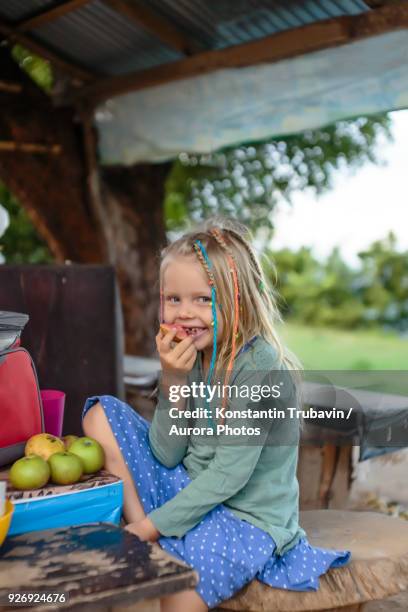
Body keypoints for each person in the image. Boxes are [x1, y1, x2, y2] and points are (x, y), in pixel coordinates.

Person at [82, 216, 351, 612]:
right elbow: (167, 455)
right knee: (101, 415)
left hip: (245, 518)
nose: (184, 313)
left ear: (237, 300)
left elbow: (229, 476)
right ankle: (154, 536)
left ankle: (149, 533)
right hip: (190, 487)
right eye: (173, 299)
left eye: (202, 300)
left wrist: (145, 527)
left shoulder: (261, 368)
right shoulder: (192, 355)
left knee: (182, 587)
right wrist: (173, 380)